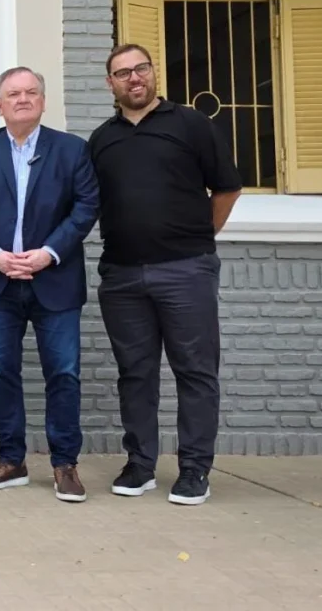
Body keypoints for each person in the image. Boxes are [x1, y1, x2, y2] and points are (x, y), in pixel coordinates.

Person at [90, 43, 242, 506]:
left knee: (195, 372)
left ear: (153, 74)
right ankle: (140, 464)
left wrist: (196, 239)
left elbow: (228, 188)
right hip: (121, 275)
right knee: (134, 373)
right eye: (122, 73)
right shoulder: (101, 139)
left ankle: (195, 469)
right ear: (110, 84)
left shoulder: (192, 125)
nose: (133, 78)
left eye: (141, 69)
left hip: (186, 271)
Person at [0, 67, 100, 501]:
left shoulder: (72, 150)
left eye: (31, 92)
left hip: (54, 278)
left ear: (43, 100)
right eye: (13, 94)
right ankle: (11, 460)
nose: (22, 99)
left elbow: (86, 206)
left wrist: (48, 252)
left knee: (64, 374)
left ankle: (64, 464)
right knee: (1, 372)